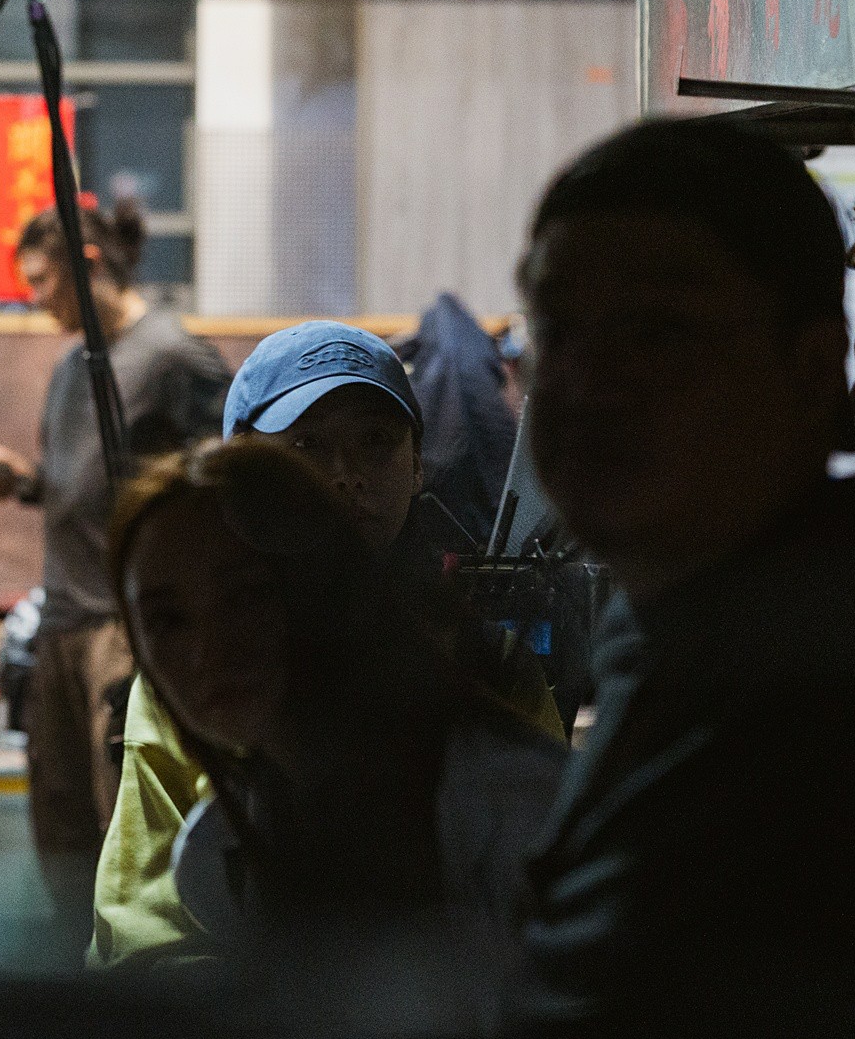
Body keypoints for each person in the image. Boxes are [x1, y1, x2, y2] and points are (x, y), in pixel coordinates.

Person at [510, 118, 855, 1039]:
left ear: (812, 368)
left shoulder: (833, 686)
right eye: (557, 330)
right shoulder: (666, 638)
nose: (587, 383)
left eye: (658, 333)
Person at [90, 322, 556, 969]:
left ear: (418, 464)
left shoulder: (489, 680)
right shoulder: (201, 689)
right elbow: (141, 936)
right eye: (306, 447)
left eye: (375, 443)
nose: (344, 477)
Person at [0, 199, 230, 934]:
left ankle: (137, 979)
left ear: (87, 263)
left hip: (126, 621)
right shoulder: (72, 365)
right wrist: (26, 484)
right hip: (62, 619)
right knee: (62, 828)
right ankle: (70, 977)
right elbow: (83, 484)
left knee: (128, 826)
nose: (36, 299)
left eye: (43, 280)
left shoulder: (172, 356)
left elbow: (225, 481)